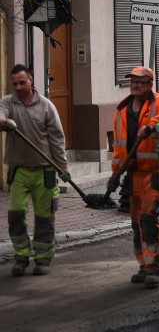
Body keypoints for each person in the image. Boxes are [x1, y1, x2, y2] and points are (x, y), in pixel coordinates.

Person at [0, 63, 70, 277]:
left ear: (31, 80)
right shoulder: (7, 102)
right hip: (19, 171)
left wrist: (63, 166)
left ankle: (42, 259)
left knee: (44, 218)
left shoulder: (46, 106)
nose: (18, 87)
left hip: (45, 170)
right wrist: (4, 122)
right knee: (15, 214)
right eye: (15, 84)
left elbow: (57, 138)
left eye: (22, 82)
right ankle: (21, 257)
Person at [111, 66, 159, 288]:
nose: (135, 84)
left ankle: (154, 268)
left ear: (149, 84)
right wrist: (115, 174)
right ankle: (143, 266)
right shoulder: (122, 110)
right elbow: (118, 147)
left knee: (148, 217)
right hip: (134, 174)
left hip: (157, 171)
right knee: (136, 222)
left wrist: (151, 126)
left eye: (140, 81)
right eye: (132, 81)